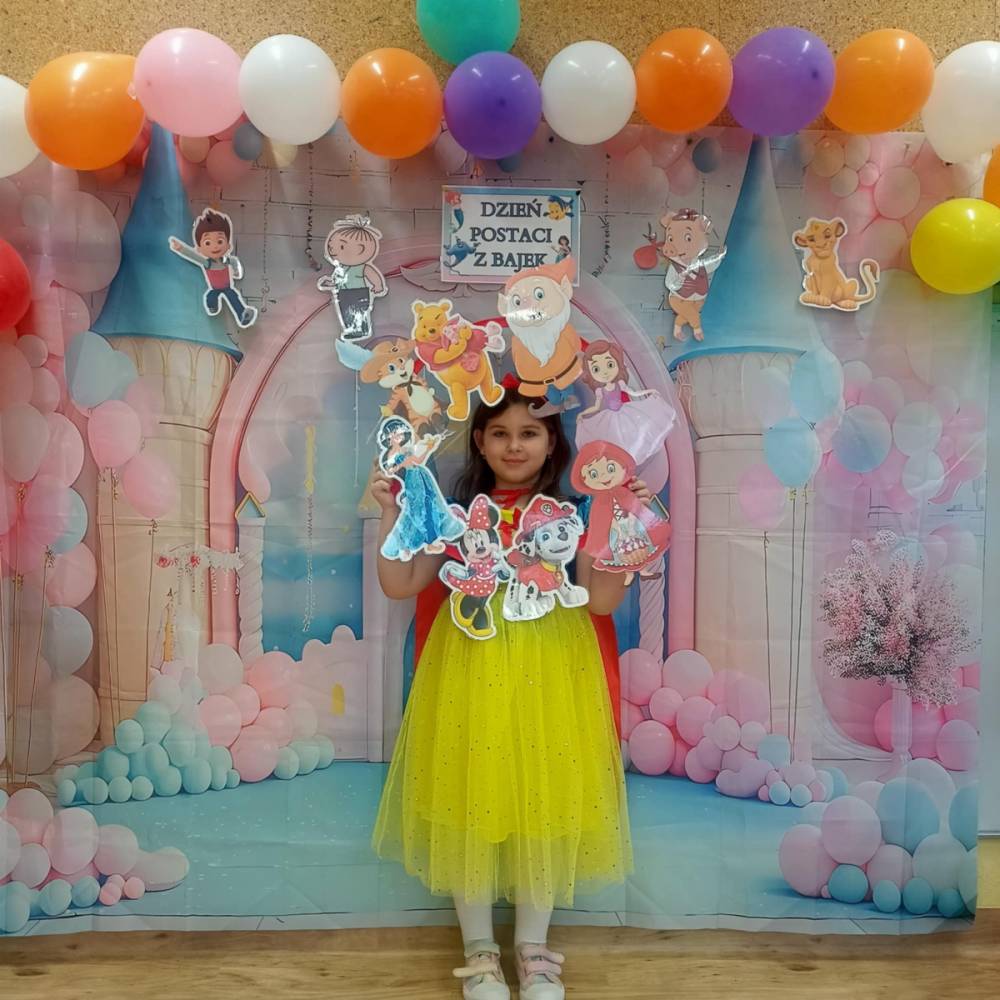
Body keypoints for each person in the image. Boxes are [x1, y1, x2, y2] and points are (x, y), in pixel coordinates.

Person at [371, 389, 641, 1000]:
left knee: (545, 800)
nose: (514, 445)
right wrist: (389, 511)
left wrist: (623, 520)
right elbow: (400, 582)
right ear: (479, 441)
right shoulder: (451, 512)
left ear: (552, 442)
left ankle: (535, 952)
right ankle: (479, 952)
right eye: (500, 433)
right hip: (471, 665)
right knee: (470, 796)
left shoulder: (576, 512)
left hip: (553, 673)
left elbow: (601, 602)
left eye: (529, 433)